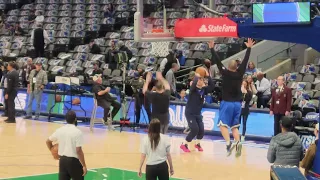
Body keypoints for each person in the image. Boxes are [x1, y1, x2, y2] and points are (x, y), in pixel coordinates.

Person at [208, 38, 255, 157]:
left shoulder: (225, 73)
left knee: (222, 125)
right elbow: (245, 61)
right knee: (234, 127)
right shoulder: (240, 73)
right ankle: (238, 142)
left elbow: (218, 62)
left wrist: (212, 48)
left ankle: (229, 144)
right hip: (238, 104)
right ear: (236, 67)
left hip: (227, 103)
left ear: (228, 67)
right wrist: (249, 48)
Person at [46, 111, 87, 180]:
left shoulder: (60, 130)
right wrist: (84, 165)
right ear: (75, 119)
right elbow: (78, 150)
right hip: (74, 162)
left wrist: (52, 150)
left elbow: (48, 141)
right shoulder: (78, 132)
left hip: (62, 161)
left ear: (66, 119)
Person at [180, 71, 214, 152]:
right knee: (195, 129)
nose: (200, 81)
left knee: (201, 130)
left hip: (198, 113)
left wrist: (208, 76)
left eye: (201, 80)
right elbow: (192, 85)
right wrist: (196, 76)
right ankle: (184, 144)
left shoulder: (204, 90)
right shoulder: (193, 90)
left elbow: (212, 86)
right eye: (198, 80)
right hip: (190, 113)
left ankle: (197, 143)